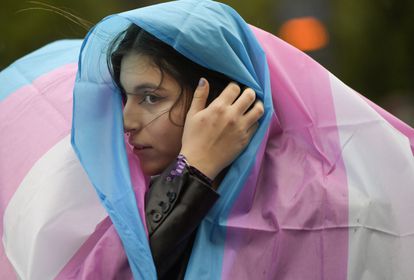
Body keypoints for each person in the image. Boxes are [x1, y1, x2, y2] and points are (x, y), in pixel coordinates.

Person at [108, 23, 264, 278]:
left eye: (150, 97)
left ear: (218, 100)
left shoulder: (307, 203)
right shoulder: (109, 197)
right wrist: (192, 168)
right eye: (124, 98)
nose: (126, 122)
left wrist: (191, 169)